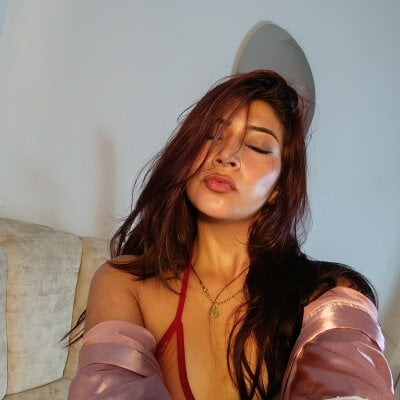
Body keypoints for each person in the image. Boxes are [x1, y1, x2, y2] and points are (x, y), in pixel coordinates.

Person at [67, 70, 394, 399]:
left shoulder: (330, 297)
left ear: (278, 188)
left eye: (257, 146)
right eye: (212, 136)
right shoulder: (124, 282)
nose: (226, 155)